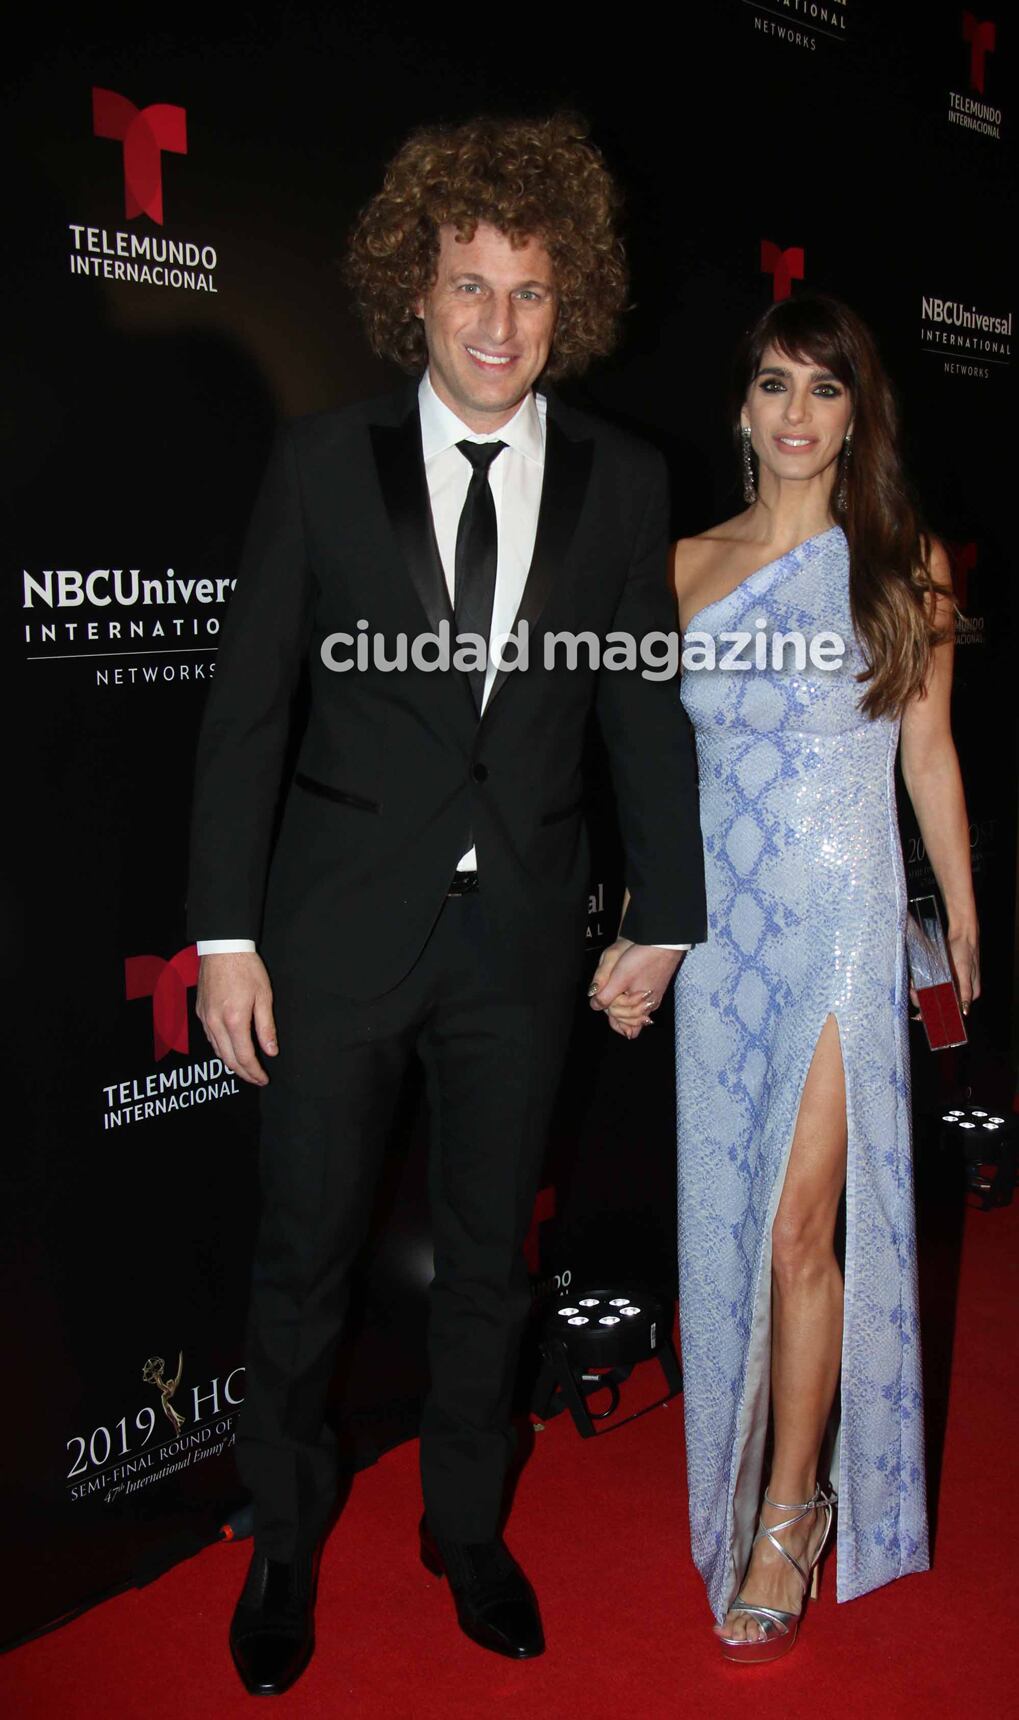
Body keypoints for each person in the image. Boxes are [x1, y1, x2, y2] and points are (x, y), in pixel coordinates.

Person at [188, 112, 706, 1696]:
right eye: (470, 287)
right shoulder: (319, 463)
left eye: (532, 293)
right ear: (412, 292)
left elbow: (639, 711)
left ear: (574, 305)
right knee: (305, 1257)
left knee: (491, 1259)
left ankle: (465, 1529)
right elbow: (250, 713)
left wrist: (665, 909)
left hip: (523, 945)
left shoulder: (621, 481)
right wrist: (225, 938)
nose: (499, 325)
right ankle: (284, 1538)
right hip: (337, 934)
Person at [603, 294, 979, 1662]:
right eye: (776, 386)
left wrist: (970, 926)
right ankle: (770, 1468)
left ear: (855, 414)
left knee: (799, 1223)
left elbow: (930, 755)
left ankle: (791, 1507)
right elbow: (656, 780)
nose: (799, 416)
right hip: (727, 934)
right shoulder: (686, 567)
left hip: (843, 918)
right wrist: (652, 929)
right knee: (734, 1209)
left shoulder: (902, 563)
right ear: (744, 408)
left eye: (827, 391)